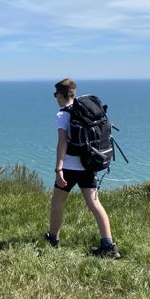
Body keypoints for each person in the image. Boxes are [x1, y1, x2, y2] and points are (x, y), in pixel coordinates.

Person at [45, 79, 120, 258]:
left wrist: (59, 169)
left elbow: (62, 142)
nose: (55, 98)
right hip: (89, 164)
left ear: (62, 95)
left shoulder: (63, 115)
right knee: (95, 204)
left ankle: (53, 238)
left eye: (56, 94)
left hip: (70, 168)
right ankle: (108, 245)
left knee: (57, 203)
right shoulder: (87, 112)